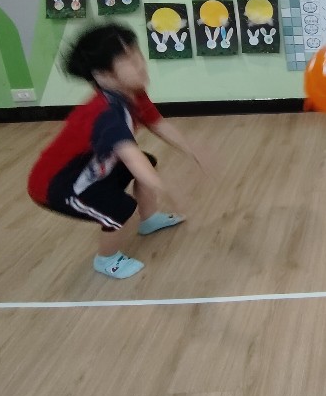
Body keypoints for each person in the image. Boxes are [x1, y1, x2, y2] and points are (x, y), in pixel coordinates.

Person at [27, 22, 211, 278]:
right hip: (58, 187)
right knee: (119, 208)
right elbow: (132, 158)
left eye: (137, 55)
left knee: (147, 161)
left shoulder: (134, 94)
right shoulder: (105, 113)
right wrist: (168, 189)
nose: (140, 65)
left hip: (89, 167)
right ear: (102, 74)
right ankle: (106, 259)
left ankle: (149, 219)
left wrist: (193, 151)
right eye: (129, 61)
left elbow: (157, 124)